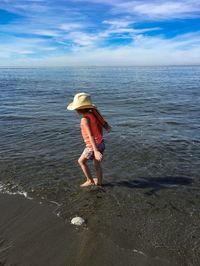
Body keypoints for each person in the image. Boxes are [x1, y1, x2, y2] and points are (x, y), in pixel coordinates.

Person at [67, 92, 111, 187]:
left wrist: (95, 151)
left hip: (92, 146)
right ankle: (99, 183)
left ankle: (90, 180)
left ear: (78, 109)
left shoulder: (84, 119)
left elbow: (90, 135)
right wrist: (99, 142)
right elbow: (99, 128)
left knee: (81, 162)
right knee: (97, 165)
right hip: (100, 143)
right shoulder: (94, 114)